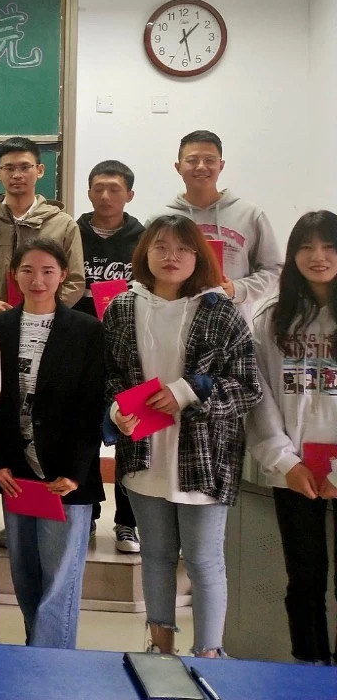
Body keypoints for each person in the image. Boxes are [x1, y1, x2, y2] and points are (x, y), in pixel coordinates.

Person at [103, 215, 260, 658]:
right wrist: (116, 410)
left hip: (204, 458)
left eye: (183, 249)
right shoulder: (122, 307)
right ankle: (161, 650)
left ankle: (209, 653)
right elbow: (109, 375)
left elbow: (248, 386)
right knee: (155, 555)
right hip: (144, 452)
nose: (171, 257)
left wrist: (187, 392)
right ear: (145, 253)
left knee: (204, 560)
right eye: (161, 247)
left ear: (198, 256)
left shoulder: (220, 311)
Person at [0, 239, 105, 649]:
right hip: (16, 474)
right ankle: (34, 650)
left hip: (65, 477)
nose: (37, 280)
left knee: (59, 580)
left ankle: (50, 663)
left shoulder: (87, 330)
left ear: (63, 276)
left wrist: (76, 471)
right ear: (14, 275)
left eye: (47, 271)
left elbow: (92, 405)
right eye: (27, 270)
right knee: (25, 574)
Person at [245, 210, 337, 665]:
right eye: (306, 247)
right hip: (295, 470)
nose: (318, 256)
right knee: (304, 579)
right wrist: (286, 461)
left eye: (329, 246)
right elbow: (259, 397)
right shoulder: (272, 319)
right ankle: (310, 668)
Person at [74, 159, 144, 554]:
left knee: (130, 433)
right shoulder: (72, 233)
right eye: (98, 188)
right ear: (88, 192)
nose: (105, 196)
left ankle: (127, 522)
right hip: (82, 346)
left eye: (114, 189)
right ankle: (87, 514)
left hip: (129, 347)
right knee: (83, 429)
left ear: (129, 194)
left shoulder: (144, 237)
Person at [159, 130, 282, 315]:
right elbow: (146, 275)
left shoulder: (249, 215)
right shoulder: (161, 219)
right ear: (178, 167)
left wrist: (236, 289)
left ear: (221, 165)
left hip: (233, 324)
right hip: (175, 323)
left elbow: (273, 270)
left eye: (210, 160)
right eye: (192, 160)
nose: (201, 166)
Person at [0, 137, 85, 314]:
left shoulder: (63, 224)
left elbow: (75, 281)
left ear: (40, 170)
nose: (17, 175)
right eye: (9, 168)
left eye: (25, 167)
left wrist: (44, 308)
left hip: (47, 320)